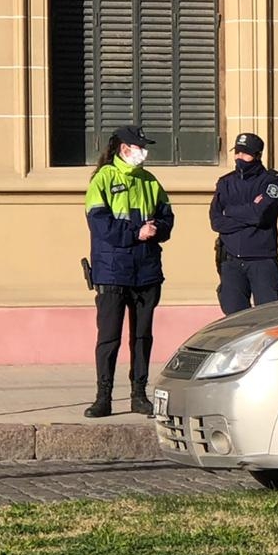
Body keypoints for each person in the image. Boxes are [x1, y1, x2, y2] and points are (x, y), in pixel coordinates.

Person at [83, 125, 174, 418]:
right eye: (138, 147)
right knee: (109, 338)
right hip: (112, 271)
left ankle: (139, 394)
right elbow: (100, 224)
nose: (143, 152)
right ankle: (103, 397)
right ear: (124, 148)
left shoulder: (150, 181)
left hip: (146, 271)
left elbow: (167, 218)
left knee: (142, 336)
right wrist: (137, 232)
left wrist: (156, 229)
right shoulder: (103, 179)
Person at [210, 132, 278, 315]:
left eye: (245, 153)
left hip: (262, 260)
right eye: (237, 152)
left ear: (257, 155)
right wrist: (249, 212)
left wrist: (232, 212)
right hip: (231, 262)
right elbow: (217, 221)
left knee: (271, 317)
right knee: (234, 319)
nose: (239, 157)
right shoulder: (225, 182)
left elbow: (260, 215)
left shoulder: (271, 180)